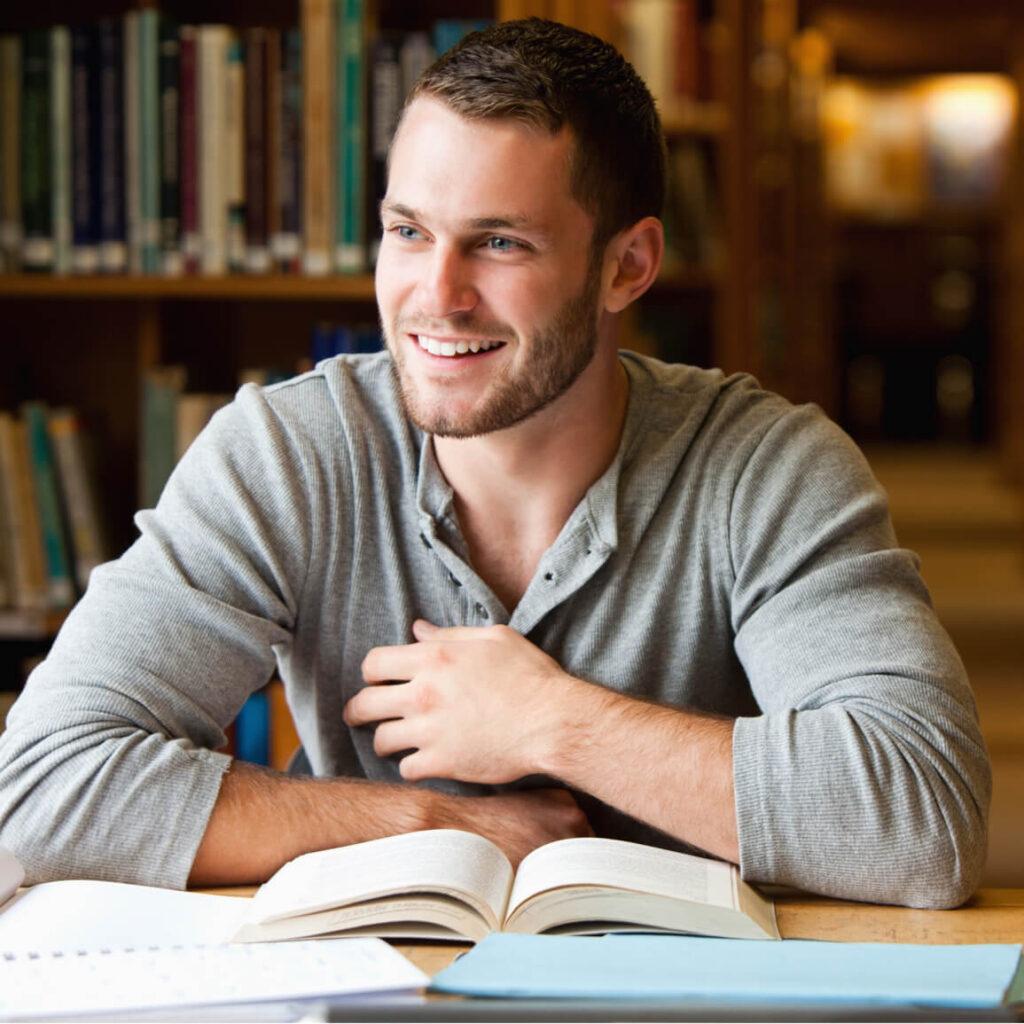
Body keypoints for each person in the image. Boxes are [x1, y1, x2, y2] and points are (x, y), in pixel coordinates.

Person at [0, 19, 989, 909]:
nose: (435, 297)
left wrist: (551, 721)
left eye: (500, 243)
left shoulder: (768, 466)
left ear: (626, 266)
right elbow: (40, 784)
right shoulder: (288, 452)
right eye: (407, 232)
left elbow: (924, 820)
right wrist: (435, 825)